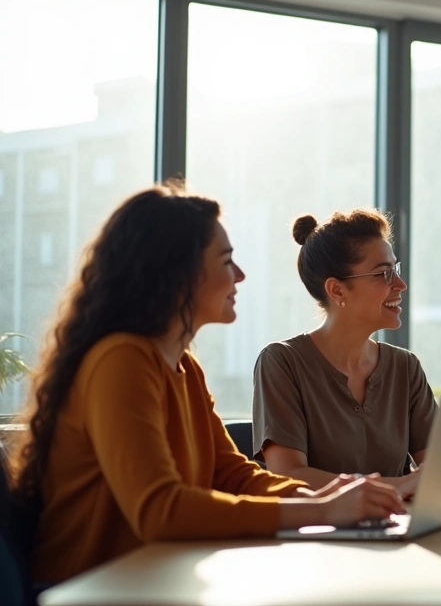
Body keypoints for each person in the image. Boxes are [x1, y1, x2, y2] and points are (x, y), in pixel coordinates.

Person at [10, 183, 403, 584]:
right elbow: (160, 509)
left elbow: (232, 475)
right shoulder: (121, 361)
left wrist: (323, 498)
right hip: (94, 588)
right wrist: (322, 512)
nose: (240, 275)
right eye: (226, 261)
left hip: (156, 577)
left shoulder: (185, 368)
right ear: (177, 274)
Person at [253, 209, 437, 498]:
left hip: (398, 530)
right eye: (383, 274)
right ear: (337, 290)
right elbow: (287, 475)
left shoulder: (405, 367)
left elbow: (438, 473)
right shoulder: (282, 362)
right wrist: (399, 486)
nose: (400, 285)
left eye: (395, 270)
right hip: (316, 535)